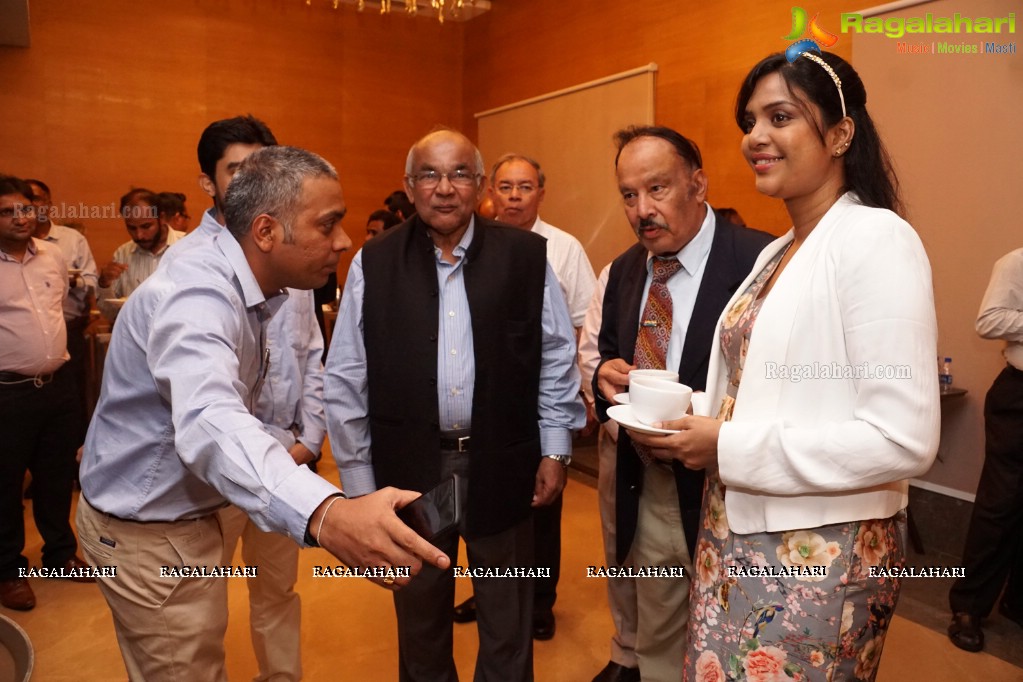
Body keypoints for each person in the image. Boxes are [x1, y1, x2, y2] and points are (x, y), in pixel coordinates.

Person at [77, 147, 449, 680]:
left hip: (185, 515)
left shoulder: (251, 287)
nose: (344, 241)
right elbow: (209, 417)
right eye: (328, 224)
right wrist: (327, 512)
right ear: (268, 231)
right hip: (149, 532)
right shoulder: (197, 291)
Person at [625, 51, 940, 681]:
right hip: (734, 530)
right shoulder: (779, 251)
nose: (755, 138)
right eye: (750, 121)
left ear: (841, 133)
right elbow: (765, 388)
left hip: (816, 555)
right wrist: (695, 419)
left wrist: (730, 444)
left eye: (780, 116)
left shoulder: (875, 238)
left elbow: (903, 439)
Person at [325, 128, 585, 681]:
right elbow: (346, 374)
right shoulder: (375, 261)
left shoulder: (525, 257)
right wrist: (358, 480)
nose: (445, 188)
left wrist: (556, 448)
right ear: (409, 185)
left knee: (508, 625)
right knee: (420, 623)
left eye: (460, 174)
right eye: (430, 175)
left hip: (502, 466)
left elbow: (556, 354)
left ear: (480, 185)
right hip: (411, 473)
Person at [593, 126, 773, 682]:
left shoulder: (763, 259)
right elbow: (607, 355)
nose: (642, 209)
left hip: (734, 487)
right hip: (647, 481)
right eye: (628, 195)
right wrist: (605, 373)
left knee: (742, 632)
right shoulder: (626, 269)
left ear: (698, 184)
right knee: (661, 634)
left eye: (657, 189)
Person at [164, 114, 321, 681]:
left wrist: (311, 438)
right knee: (200, 609)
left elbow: (311, 355)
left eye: (261, 168)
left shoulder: (289, 247)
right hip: (213, 474)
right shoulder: (188, 267)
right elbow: (201, 401)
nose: (251, 181)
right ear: (208, 182)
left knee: (277, 593)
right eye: (236, 170)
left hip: (288, 457)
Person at [453, 153, 596, 640]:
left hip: (540, 400)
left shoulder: (564, 247)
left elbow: (577, 327)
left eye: (525, 187)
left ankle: (538, 601)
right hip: (488, 403)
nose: (514, 197)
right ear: (490, 191)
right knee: (487, 506)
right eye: (506, 187)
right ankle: (488, 589)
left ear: (541, 193)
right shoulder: (471, 244)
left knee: (541, 506)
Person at [0, 175, 94, 613]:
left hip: (58, 388)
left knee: (57, 479)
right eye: (7, 211)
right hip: (7, 394)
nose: (21, 217)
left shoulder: (53, 256)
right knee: (5, 486)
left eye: (25, 208)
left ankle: (59, 555)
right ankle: (7, 570)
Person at [948, 247, 1023, 652]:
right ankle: (968, 607)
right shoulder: (1017, 262)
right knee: (1001, 504)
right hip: (1020, 397)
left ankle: (1017, 602)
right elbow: (990, 320)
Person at [26, 178, 99, 437]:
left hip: (69, 333)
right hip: (25, 340)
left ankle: (72, 466)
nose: (34, 206)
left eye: (39, 199)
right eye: (28, 200)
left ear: (49, 204)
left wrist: (70, 279)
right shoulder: (13, 244)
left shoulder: (71, 239)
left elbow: (92, 281)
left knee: (72, 401)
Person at [96, 188, 184, 319]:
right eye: (132, 228)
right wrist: (104, 283)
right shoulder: (122, 254)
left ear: (162, 218)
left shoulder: (188, 247)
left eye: (146, 226)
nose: (139, 235)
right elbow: (111, 315)